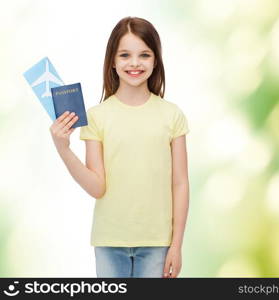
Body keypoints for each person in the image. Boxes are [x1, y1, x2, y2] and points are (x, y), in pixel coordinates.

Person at [49, 16, 190, 278]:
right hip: (109, 242)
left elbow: (180, 183)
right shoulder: (96, 117)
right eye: (125, 55)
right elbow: (97, 186)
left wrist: (177, 245)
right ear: (112, 61)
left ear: (156, 60)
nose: (134, 63)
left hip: (158, 242)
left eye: (144, 55)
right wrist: (63, 148)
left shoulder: (172, 116)